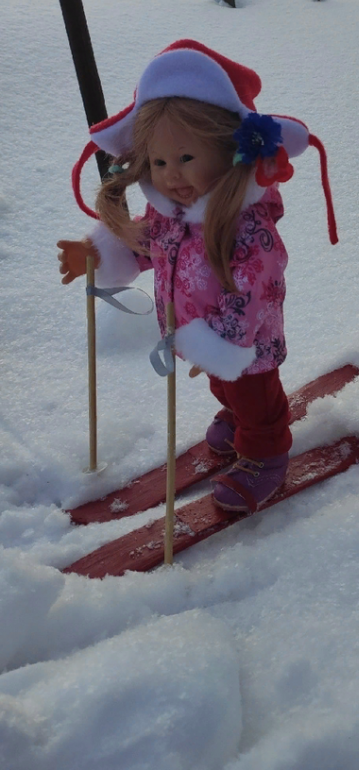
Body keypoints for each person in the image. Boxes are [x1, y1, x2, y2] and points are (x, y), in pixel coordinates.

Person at [58, 39, 337, 513]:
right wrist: (101, 253)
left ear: (228, 149)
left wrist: (220, 341)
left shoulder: (247, 228)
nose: (171, 175)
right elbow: (152, 243)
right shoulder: (172, 212)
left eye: (185, 158)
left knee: (255, 396)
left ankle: (265, 454)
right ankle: (234, 415)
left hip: (246, 343)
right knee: (224, 386)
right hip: (194, 334)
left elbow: (254, 286)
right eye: (160, 162)